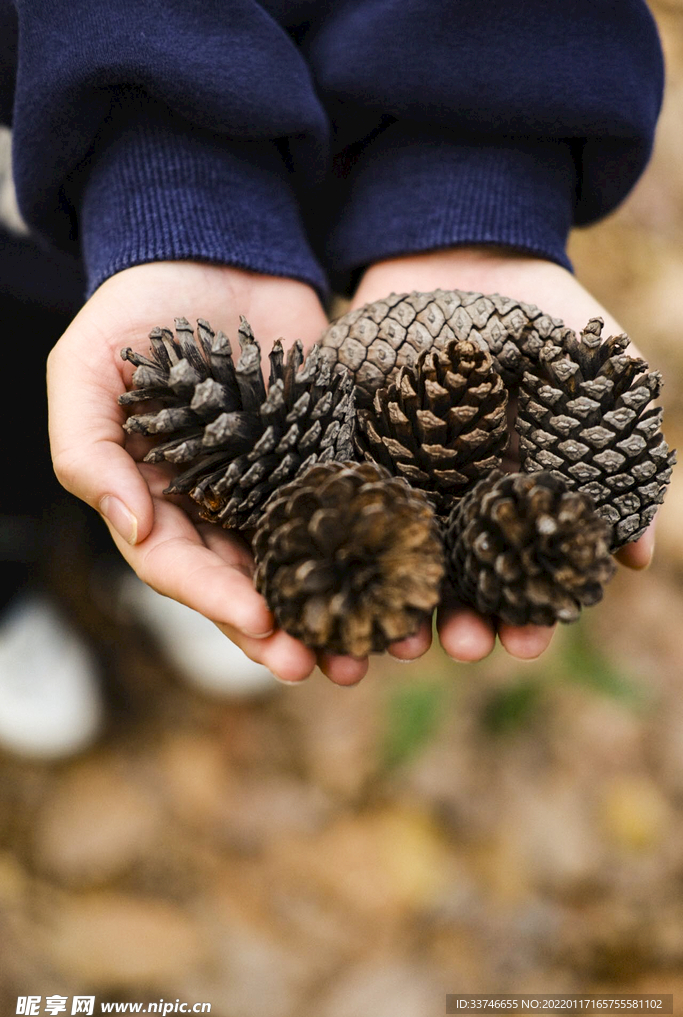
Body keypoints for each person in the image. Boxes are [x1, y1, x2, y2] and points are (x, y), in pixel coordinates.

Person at [0, 0, 665, 687]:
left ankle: (118, 564)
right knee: (33, 393)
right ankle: (12, 589)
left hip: (264, 136)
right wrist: (162, 172)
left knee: (142, 468)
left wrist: (470, 166)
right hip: (32, 124)